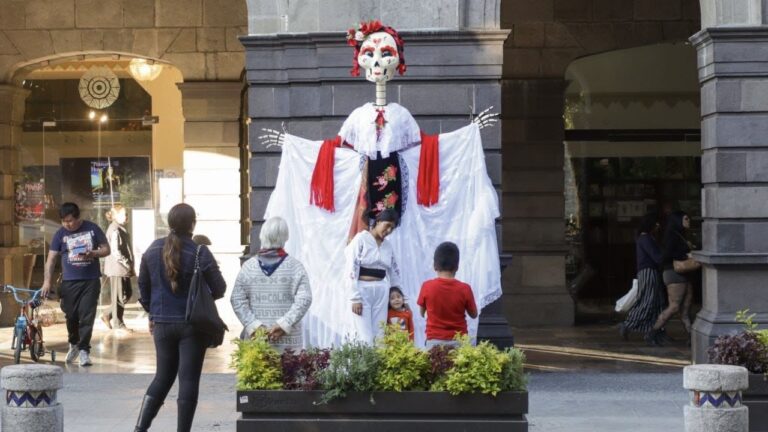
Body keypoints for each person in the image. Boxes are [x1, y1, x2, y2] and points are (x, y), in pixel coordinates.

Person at [134, 203, 226, 432]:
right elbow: (220, 288)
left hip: (162, 324)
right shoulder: (199, 251)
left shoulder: (153, 249)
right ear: (193, 224)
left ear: (170, 223)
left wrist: (152, 312)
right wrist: (201, 297)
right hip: (192, 325)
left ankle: (140, 429)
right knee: (188, 379)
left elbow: (143, 287)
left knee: (162, 377)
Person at [42, 202, 110, 367]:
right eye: (64, 221)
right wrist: (47, 281)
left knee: (87, 315)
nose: (67, 224)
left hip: (90, 280)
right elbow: (51, 259)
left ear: (78, 218)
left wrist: (93, 253)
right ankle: (74, 343)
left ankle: (84, 350)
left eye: (70, 221)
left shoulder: (92, 229)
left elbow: (106, 250)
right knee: (71, 316)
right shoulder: (60, 235)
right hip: (69, 282)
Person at [230, 217, 312, 352]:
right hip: (289, 342)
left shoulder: (249, 267)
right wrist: (284, 324)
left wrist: (254, 326)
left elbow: (237, 299)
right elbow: (305, 299)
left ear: (262, 235)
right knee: (290, 373)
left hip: (257, 342)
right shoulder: (295, 267)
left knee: (257, 373)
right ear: (285, 237)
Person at [346, 209, 402, 344]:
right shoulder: (361, 239)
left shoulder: (388, 246)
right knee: (364, 336)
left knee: (379, 334)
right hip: (362, 291)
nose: (389, 230)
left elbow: (393, 271)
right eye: (387, 225)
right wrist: (355, 297)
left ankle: (378, 365)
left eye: (392, 228)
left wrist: (400, 295)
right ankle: (363, 365)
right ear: (378, 221)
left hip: (381, 292)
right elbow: (351, 267)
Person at [649, 210, 700, 343]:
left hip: (683, 274)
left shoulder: (680, 235)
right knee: (675, 306)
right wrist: (686, 256)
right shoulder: (672, 236)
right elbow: (666, 256)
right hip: (673, 273)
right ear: (678, 220)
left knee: (686, 308)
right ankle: (652, 333)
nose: (688, 221)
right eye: (686, 218)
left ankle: (691, 337)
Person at [417, 242, 478, 349]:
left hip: (434, 343)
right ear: (457, 267)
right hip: (459, 342)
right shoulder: (465, 289)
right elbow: (474, 314)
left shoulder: (427, 286)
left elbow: (421, 313)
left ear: (435, 266)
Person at [619, 213, 666, 345]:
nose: (658, 226)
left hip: (649, 272)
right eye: (656, 223)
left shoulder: (646, 238)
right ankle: (628, 324)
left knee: (656, 302)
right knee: (648, 301)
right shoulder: (646, 239)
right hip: (649, 272)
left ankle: (654, 331)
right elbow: (657, 257)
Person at [101, 204, 134, 331]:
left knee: (125, 294)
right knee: (121, 296)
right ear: (115, 216)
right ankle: (118, 323)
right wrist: (127, 264)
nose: (126, 216)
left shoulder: (119, 228)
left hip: (121, 269)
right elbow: (116, 252)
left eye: (126, 214)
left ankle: (107, 314)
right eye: (123, 214)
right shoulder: (115, 229)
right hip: (118, 269)